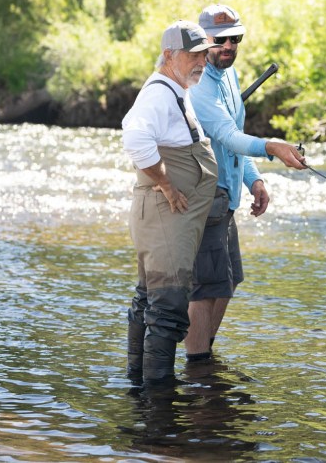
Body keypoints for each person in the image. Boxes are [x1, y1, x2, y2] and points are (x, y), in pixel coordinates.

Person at [185, 4, 307, 362]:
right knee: (204, 289)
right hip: (206, 195)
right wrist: (272, 147)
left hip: (227, 200)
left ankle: (204, 354)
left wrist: (254, 180)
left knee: (228, 280)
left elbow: (233, 135)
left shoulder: (229, 74)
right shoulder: (198, 86)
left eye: (235, 38)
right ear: (202, 40)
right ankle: (198, 368)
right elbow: (226, 134)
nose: (228, 46)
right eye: (220, 40)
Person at [121, 19, 218, 385]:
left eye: (203, 56)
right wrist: (165, 183)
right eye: (193, 56)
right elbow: (134, 137)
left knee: (150, 299)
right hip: (164, 215)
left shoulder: (176, 90)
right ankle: (158, 400)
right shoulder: (158, 94)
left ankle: (138, 388)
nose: (201, 63)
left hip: (168, 219)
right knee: (167, 309)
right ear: (168, 55)